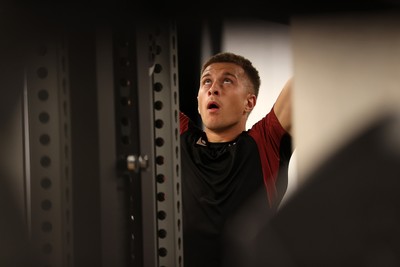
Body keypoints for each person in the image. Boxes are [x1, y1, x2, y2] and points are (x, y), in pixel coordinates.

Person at [179, 51, 293, 267]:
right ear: (198, 102)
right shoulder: (179, 136)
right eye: (207, 82)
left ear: (249, 103)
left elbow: (306, 77)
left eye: (227, 81)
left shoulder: (266, 141)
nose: (213, 88)